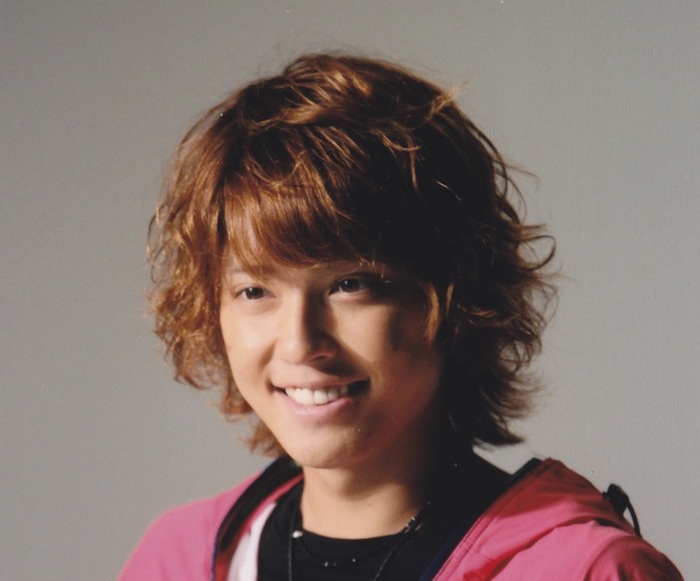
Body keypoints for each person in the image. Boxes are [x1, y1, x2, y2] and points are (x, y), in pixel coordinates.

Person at [118, 53, 682, 580]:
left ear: (455, 296)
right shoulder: (177, 559)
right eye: (254, 291)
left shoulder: (584, 570)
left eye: (350, 285)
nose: (299, 343)